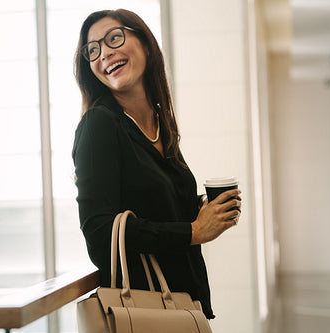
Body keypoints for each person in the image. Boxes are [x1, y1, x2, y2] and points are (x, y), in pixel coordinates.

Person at [72, 9, 242, 319]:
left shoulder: (160, 124)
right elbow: (99, 233)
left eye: (114, 38)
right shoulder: (99, 125)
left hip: (184, 307)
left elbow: (151, 205)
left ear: (147, 44)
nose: (104, 54)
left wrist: (203, 210)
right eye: (93, 50)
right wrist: (192, 231)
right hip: (145, 313)